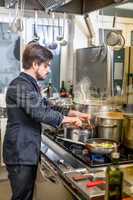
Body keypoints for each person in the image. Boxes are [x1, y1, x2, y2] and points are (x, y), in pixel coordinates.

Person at [3, 43, 91, 200]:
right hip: (20, 152)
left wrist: (72, 112)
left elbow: (46, 105)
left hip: (26, 149)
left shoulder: (29, 85)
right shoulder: (20, 86)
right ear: (35, 64)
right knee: (22, 197)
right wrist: (70, 120)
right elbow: (40, 113)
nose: (49, 70)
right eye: (46, 65)